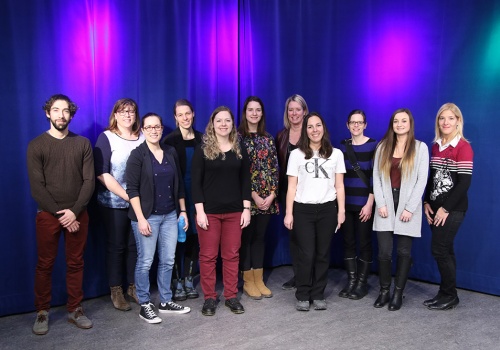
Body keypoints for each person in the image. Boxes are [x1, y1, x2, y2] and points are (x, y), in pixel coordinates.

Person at [27, 94, 95, 335]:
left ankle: (75, 308)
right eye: (56, 110)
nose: (61, 115)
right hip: (48, 214)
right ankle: (42, 311)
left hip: (78, 214)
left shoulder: (83, 144)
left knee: (76, 263)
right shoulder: (36, 145)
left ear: (71, 115)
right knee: (45, 264)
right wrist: (61, 215)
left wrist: (74, 212)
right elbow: (37, 188)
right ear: (48, 113)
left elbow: (89, 182)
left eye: (65, 111)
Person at [126, 113, 191, 324]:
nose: (154, 130)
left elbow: (179, 184)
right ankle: (145, 304)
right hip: (147, 217)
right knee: (145, 262)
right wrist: (141, 218)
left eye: (157, 127)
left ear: (162, 129)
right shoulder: (137, 155)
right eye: (149, 127)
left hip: (171, 216)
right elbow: (132, 190)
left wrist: (183, 212)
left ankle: (165, 300)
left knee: (168, 260)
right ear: (143, 130)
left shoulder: (170, 152)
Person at [192, 106, 251, 316]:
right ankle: (209, 298)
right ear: (212, 124)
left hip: (235, 212)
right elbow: (196, 184)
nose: (223, 124)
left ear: (232, 124)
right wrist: (199, 211)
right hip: (209, 212)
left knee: (231, 255)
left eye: (227, 120)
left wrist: (246, 209)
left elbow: (246, 181)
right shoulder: (203, 149)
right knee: (208, 256)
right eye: (219, 121)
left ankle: (231, 296)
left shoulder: (239, 148)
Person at [284, 112, 346, 311]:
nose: (314, 130)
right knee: (307, 253)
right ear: (305, 130)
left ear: (323, 128)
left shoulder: (336, 154)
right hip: (303, 210)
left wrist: (341, 211)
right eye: (310, 126)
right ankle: (303, 294)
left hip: (328, 209)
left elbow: (340, 186)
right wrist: (289, 212)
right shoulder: (296, 154)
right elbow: (291, 187)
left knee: (322, 254)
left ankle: (318, 293)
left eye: (318, 125)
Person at [372, 108, 429, 311]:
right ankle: (384, 291)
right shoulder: (382, 147)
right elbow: (376, 179)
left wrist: (410, 208)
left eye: (403, 121)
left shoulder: (420, 148)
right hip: (386, 202)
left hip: (407, 205)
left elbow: (422, 180)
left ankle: (398, 293)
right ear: (392, 124)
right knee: (384, 252)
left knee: (404, 252)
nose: (399, 124)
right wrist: (382, 203)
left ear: (410, 123)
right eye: (396, 121)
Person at [94, 98, 144, 311]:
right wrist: (127, 196)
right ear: (115, 115)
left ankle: (133, 287)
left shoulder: (143, 137)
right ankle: (116, 290)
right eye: (123, 111)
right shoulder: (107, 137)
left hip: (139, 205)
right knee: (117, 246)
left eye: (131, 111)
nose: (127, 115)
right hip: (114, 203)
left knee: (136, 247)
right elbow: (102, 173)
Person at [423, 103, 473, 311]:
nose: (446, 122)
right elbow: (432, 178)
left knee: (440, 249)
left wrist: (445, 209)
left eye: (451, 118)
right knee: (446, 250)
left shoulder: (463, 147)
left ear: (458, 121)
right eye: (442, 118)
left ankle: (450, 295)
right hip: (434, 207)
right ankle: (445, 292)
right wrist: (426, 202)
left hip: (452, 209)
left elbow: (464, 183)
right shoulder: (436, 146)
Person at [238, 96, 279, 300]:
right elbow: (239, 171)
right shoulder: (238, 138)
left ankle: (259, 279)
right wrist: (253, 195)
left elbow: (274, 168)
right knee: (246, 239)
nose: (254, 113)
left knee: (260, 238)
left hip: (267, 199)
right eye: (250, 109)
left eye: (258, 110)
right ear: (245, 113)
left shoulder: (269, 138)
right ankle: (247, 281)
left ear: (262, 113)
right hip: (247, 198)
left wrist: (272, 195)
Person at [162, 99, 203, 301]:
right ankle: (176, 281)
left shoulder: (203, 139)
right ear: (175, 118)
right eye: (180, 115)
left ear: (193, 114)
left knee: (195, 239)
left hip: (198, 196)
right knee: (178, 239)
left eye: (188, 113)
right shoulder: (169, 141)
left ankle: (189, 279)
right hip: (177, 196)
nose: (185, 118)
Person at [338, 110, 377, 300]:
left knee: (364, 243)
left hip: (364, 204)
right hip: (346, 203)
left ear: (365, 125)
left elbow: (375, 177)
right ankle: (351, 281)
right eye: (352, 122)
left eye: (359, 122)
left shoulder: (373, 146)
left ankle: (362, 283)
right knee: (348, 243)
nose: (356, 126)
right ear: (347, 125)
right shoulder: (342, 147)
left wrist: (370, 203)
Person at [276, 94, 309, 290]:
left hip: (309, 194)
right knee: (294, 236)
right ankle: (299, 275)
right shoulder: (281, 136)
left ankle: (310, 275)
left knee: (307, 236)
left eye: (298, 109)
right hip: (288, 193)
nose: (294, 113)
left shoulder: (313, 132)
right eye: (291, 110)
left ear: (304, 111)